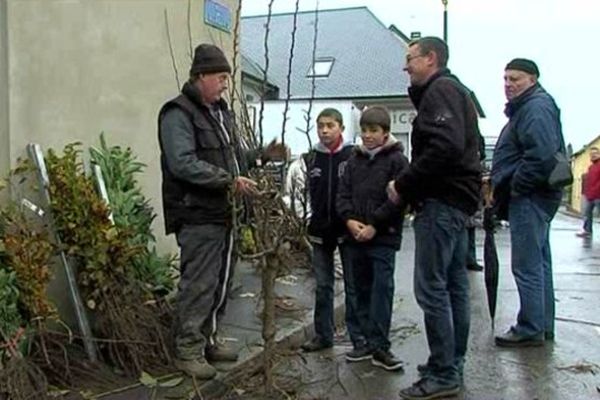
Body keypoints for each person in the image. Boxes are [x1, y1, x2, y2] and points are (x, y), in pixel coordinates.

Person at [158, 44, 262, 379]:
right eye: (220, 78)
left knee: (221, 283)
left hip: (224, 215)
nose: (224, 85)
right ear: (200, 76)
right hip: (197, 215)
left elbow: (230, 157)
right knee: (199, 284)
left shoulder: (219, 112)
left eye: (227, 79)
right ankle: (187, 350)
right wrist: (229, 182)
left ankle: (209, 341)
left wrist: (261, 155)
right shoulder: (178, 114)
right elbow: (183, 163)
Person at [388, 37, 481, 399]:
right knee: (454, 283)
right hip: (458, 202)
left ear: (431, 58)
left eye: (410, 59)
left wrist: (404, 184)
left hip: (441, 202)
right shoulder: (454, 92)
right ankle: (450, 363)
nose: (405, 66)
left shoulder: (441, 91)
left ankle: (443, 372)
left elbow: (445, 146)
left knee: (432, 287)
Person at [491, 58, 565, 347]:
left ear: (532, 79)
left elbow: (541, 156)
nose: (508, 85)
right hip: (538, 195)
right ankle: (542, 325)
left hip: (531, 196)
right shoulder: (533, 106)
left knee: (527, 265)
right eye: (506, 79)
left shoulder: (535, 108)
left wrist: (516, 187)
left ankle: (530, 327)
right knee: (539, 262)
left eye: (516, 79)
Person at [337, 106, 409, 372]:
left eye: (373, 131)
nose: (367, 136)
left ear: (385, 133)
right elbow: (342, 195)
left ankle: (380, 345)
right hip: (354, 236)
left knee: (381, 291)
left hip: (383, 238)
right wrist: (349, 220)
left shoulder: (397, 162)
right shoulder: (353, 161)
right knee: (359, 290)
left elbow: (398, 200)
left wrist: (374, 225)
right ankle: (362, 341)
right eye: (364, 130)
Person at [287, 108, 357, 353]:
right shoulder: (310, 159)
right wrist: (305, 218)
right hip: (319, 231)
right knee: (323, 286)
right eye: (320, 126)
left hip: (347, 231)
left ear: (341, 128)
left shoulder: (352, 156)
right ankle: (322, 335)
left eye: (330, 125)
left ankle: (357, 337)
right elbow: (297, 193)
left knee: (352, 286)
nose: (325, 130)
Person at [576, 146, 600, 237]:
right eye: (591, 154)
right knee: (587, 213)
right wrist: (586, 192)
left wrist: (595, 190)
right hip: (590, 195)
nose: (593, 156)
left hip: (598, 195)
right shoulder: (591, 167)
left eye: (595, 154)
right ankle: (587, 231)